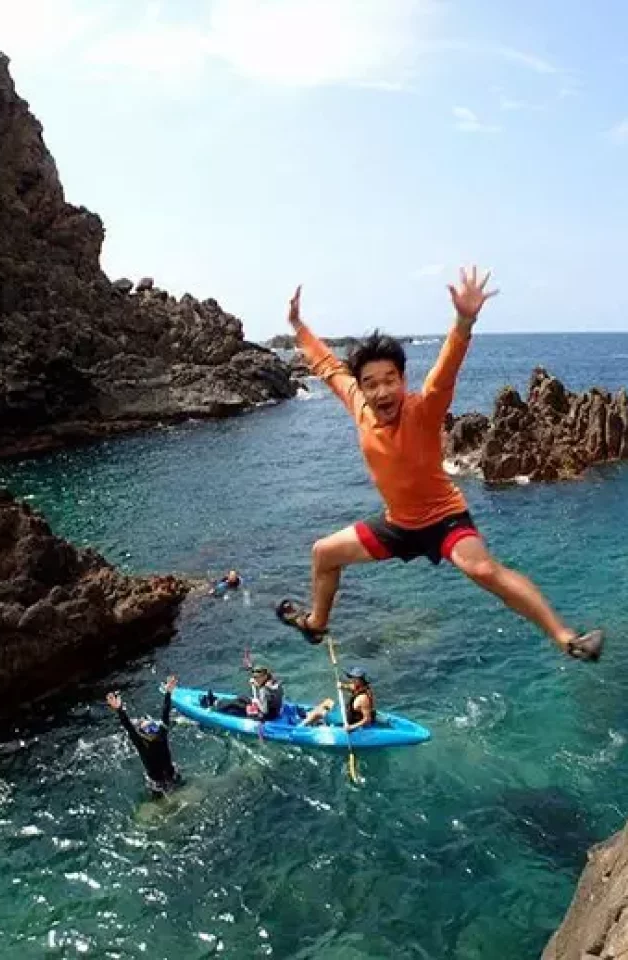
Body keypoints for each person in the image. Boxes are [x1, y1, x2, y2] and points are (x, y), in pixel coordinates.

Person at [276, 267, 604, 662]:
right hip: (398, 525)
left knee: (483, 571)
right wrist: (298, 326)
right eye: (371, 383)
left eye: (390, 379)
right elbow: (327, 366)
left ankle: (567, 637)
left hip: (444, 519)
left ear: (403, 380)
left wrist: (464, 321)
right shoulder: (358, 405)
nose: (382, 390)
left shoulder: (424, 409)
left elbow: (445, 371)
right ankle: (315, 624)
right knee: (323, 554)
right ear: (360, 387)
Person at [107, 676, 181, 796]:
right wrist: (168, 692)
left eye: (153, 727)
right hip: (167, 780)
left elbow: (130, 727)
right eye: (149, 728)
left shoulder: (148, 742)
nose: (153, 730)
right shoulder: (156, 738)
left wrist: (119, 710)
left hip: (162, 783)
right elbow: (165, 714)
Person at [301, 667, 375, 732]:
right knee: (328, 702)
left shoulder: (363, 698)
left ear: (359, 680)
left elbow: (367, 719)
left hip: (347, 721)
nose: (351, 680)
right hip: (346, 713)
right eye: (351, 677)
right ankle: (310, 718)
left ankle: (300, 727)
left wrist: (351, 727)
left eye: (353, 678)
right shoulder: (359, 687)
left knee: (318, 713)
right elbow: (350, 687)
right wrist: (342, 685)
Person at [202, 665, 284, 720]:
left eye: (257, 677)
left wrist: (257, 701)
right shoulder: (275, 683)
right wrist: (255, 686)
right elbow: (270, 696)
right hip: (274, 711)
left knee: (235, 704)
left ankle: (213, 704)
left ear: (264, 676)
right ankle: (217, 701)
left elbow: (264, 711)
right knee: (243, 698)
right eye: (254, 677)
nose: (255, 679)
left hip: (266, 715)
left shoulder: (264, 690)